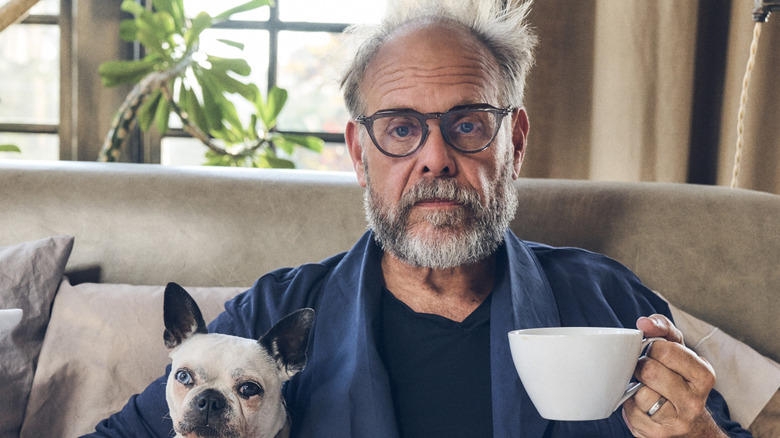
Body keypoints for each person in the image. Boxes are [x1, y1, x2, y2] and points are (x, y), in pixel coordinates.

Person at [86, 1, 751, 437]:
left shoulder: (605, 298)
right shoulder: (275, 315)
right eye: (401, 128)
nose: (435, 158)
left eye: (468, 124)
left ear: (513, 142)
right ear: (358, 153)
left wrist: (699, 433)